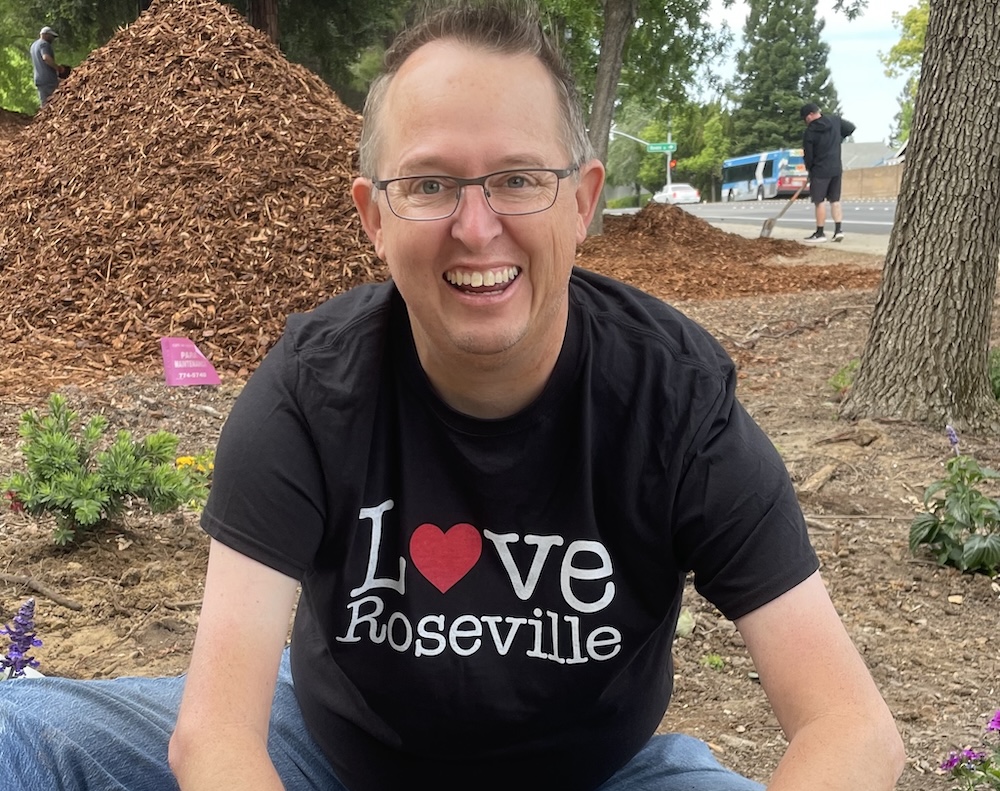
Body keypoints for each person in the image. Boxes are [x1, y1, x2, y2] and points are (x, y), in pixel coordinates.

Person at [0, 3, 904, 790]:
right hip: (330, 761)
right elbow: (217, 734)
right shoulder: (307, 394)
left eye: (518, 179)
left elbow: (852, 729)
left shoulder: (672, 396)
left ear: (581, 200)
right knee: (19, 733)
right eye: (430, 185)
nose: (478, 229)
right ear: (373, 215)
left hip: (603, 776)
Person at [800, 102, 856, 243]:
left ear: (811, 115)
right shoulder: (835, 121)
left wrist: (810, 170)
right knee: (835, 200)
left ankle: (820, 233)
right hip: (836, 167)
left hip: (820, 169)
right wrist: (838, 139)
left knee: (819, 201)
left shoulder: (810, 132)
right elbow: (851, 128)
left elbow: (809, 155)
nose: (806, 122)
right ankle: (838, 231)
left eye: (805, 118)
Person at [29, 25, 60, 107]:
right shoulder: (44, 44)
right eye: (51, 36)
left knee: (45, 105)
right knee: (55, 103)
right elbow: (45, 58)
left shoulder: (33, 46)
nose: (53, 39)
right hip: (48, 79)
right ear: (46, 35)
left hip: (39, 80)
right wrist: (57, 68)